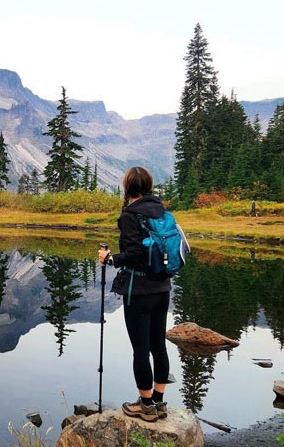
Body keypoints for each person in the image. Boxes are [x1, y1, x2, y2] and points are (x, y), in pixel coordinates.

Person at [98, 166, 171, 423]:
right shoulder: (161, 210)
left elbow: (135, 253)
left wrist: (110, 259)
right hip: (163, 288)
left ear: (128, 187)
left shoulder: (131, 215)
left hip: (139, 291)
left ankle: (146, 406)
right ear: (149, 185)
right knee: (158, 346)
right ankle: (159, 402)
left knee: (140, 350)